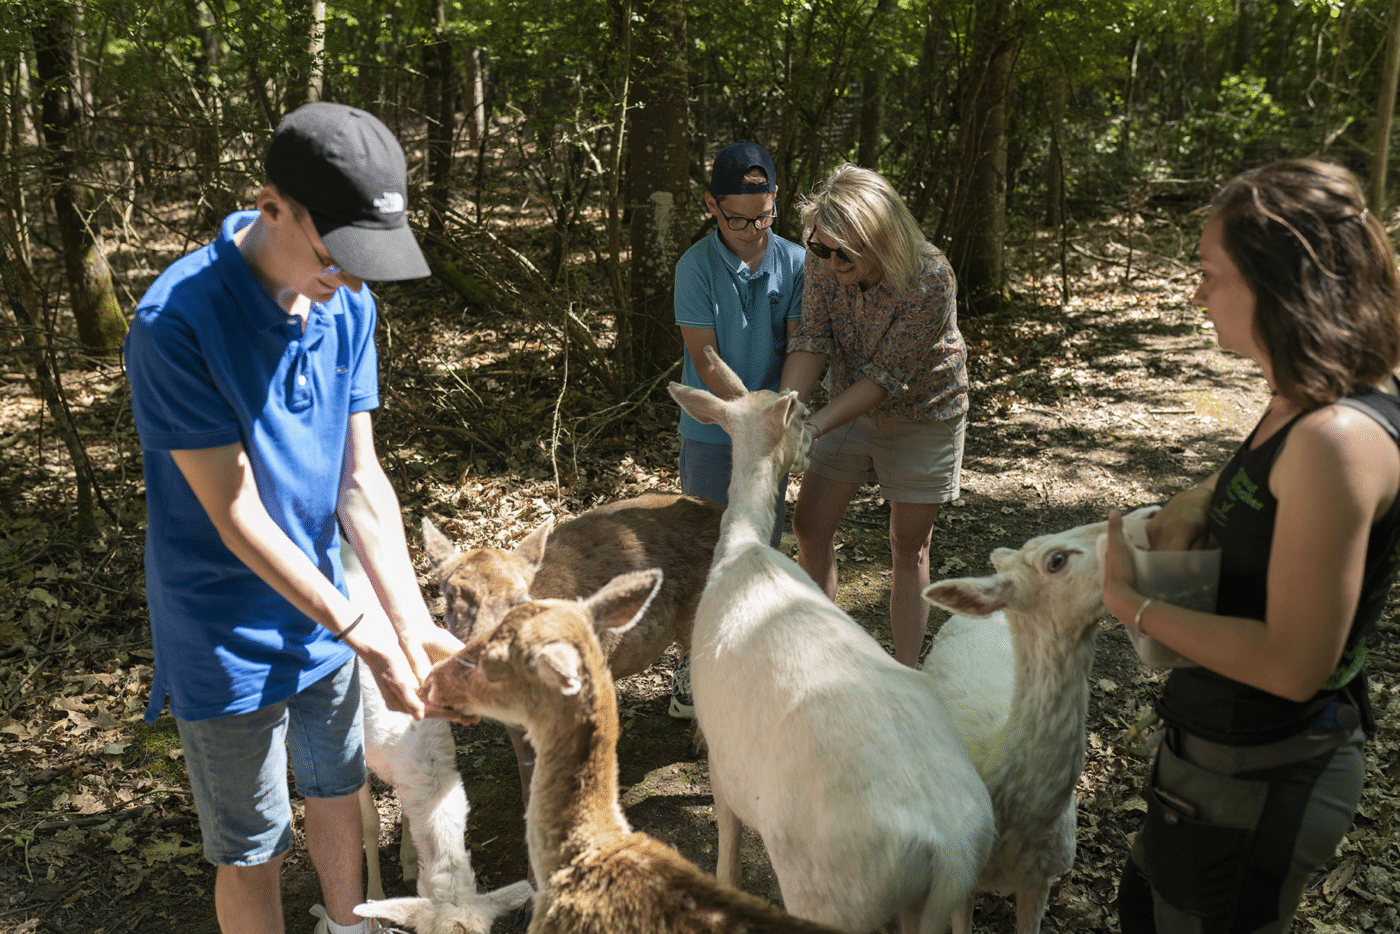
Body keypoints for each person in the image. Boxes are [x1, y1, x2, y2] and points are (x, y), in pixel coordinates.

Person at [125, 102, 464, 934]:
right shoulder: (175, 325)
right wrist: (366, 628)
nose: (345, 278)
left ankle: (348, 924)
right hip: (222, 632)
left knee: (338, 787)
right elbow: (236, 513)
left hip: (326, 607)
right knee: (253, 847)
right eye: (332, 253)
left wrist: (410, 621)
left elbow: (360, 480)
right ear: (273, 205)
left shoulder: (348, 309)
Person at [1101, 158, 1399, 934]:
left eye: (1209, 273)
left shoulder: (1336, 436)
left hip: (1264, 774)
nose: (1196, 293)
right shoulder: (1301, 396)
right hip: (1214, 762)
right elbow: (1261, 498)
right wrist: (1196, 501)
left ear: (1279, 284)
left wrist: (1132, 606)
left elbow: (1294, 663)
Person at [780, 163, 966, 668]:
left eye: (843, 251)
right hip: (848, 404)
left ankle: (906, 676)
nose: (828, 260)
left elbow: (885, 378)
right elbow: (812, 339)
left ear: (880, 240)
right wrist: (784, 412)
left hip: (923, 413)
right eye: (819, 246)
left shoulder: (929, 276)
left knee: (910, 546)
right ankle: (819, 659)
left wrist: (812, 426)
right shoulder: (819, 258)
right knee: (810, 525)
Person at [669, 140, 805, 717]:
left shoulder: (797, 262)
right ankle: (693, 667)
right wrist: (748, 412)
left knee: (758, 543)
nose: (752, 230)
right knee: (704, 543)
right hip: (713, 426)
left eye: (765, 215)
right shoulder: (695, 266)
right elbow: (704, 356)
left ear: (776, 200)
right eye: (738, 219)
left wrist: (779, 412)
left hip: (768, 430)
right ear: (711, 206)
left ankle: (750, 658)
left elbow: (800, 345)